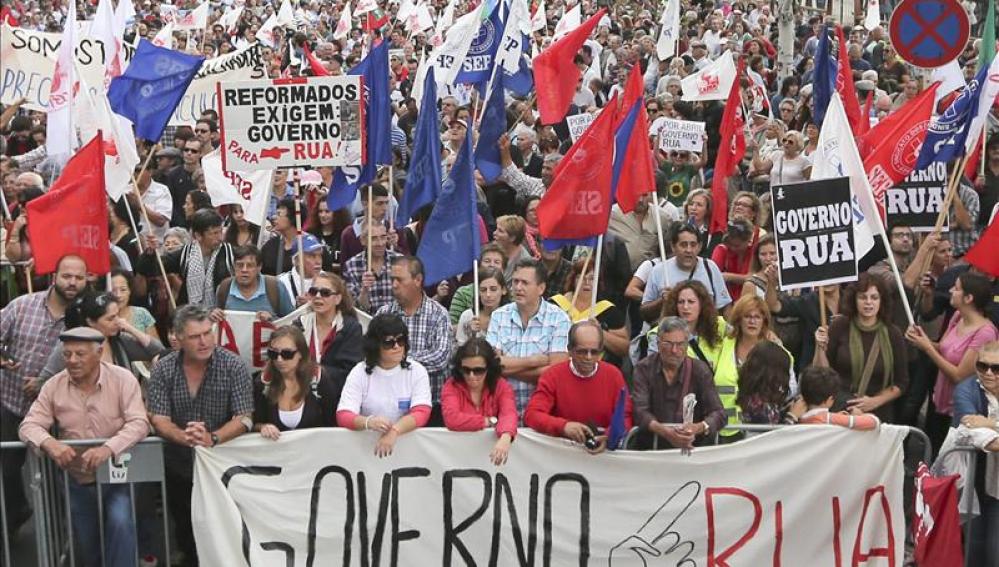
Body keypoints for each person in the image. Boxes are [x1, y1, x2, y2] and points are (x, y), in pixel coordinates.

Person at [18, 327, 150, 567]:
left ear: (99, 353)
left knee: (120, 523)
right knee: (87, 542)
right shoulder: (53, 386)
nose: (72, 361)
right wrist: (49, 443)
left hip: (118, 474)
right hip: (76, 478)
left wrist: (108, 448)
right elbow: (29, 425)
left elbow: (139, 423)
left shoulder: (122, 379)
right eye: (67, 355)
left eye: (80, 354)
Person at [147, 305, 254, 566]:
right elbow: (158, 418)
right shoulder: (164, 369)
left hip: (223, 468)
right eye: (195, 336)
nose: (204, 341)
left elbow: (245, 417)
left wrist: (212, 438)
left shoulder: (233, 365)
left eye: (208, 333)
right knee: (186, 532)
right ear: (178, 337)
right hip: (179, 465)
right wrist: (183, 436)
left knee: (224, 530)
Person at [1, 254, 87, 535]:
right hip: (11, 404)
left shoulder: (84, 318)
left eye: (79, 277)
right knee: (7, 472)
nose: (72, 282)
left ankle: (63, 541)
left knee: (57, 483)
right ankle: (14, 518)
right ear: (54, 276)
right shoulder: (22, 306)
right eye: (67, 276)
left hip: (57, 415)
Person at [906, 272, 999, 450]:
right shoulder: (957, 317)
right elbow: (943, 348)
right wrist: (921, 339)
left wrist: (926, 347)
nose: (950, 290)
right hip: (939, 400)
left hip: (960, 409)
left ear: (968, 298)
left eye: (956, 288)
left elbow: (959, 375)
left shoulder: (985, 332)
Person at [524, 321, 632, 453]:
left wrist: (608, 438)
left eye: (594, 352)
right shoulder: (552, 376)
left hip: (603, 454)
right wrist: (564, 426)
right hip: (561, 453)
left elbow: (625, 416)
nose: (588, 357)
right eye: (582, 352)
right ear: (570, 350)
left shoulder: (614, 375)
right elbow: (532, 415)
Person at [814, 274, 909, 423]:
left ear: (882, 301)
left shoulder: (893, 333)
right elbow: (823, 373)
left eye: (874, 297)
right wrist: (819, 347)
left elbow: (901, 382)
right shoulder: (840, 326)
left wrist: (875, 401)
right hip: (842, 409)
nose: (868, 302)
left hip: (878, 414)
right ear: (854, 299)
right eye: (863, 297)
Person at [336, 313, 432, 457]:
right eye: (389, 343)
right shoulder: (359, 372)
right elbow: (343, 415)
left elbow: (422, 411)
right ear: (375, 346)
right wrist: (368, 422)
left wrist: (394, 431)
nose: (397, 347)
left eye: (401, 340)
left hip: (408, 450)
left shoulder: (417, 371)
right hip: (366, 450)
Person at [486, 258, 571, 415]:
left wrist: (507, 368)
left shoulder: (559, 319)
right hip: (503, 409)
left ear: (541, 288)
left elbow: (555, 373)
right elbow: (491, 365)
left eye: (525, 283)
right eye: (515, 281)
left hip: (543, 410)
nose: (518, 287)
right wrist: (532, 361)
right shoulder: (498, 316)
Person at [631, 316, 727, 450]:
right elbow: (639, 412)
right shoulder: (644, 369)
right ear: (658, 344)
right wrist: (666, 432)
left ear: (687, 345)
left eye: (680, 344)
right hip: (651, 451)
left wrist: (697, 428)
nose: (674, 350)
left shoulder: (700, 370)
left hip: (692, 451)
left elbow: (719, 413)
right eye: (668, 344)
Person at [376, 256, 453, 409]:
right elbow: (372, 352)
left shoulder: (439, 314)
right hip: (389, 404)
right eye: (392, 279)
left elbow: (440, 358)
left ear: (418, 280)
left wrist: (398, 359)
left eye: (399, 280)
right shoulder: (383, 314)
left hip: (432, 403)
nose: (394, 285)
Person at [39, 291, 166, 381]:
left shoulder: (120, 341)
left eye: (117, 315)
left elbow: (157, 349)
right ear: (91, 322)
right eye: (110, 319)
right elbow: (45, 380)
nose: (117, 321)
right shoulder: (70, 345)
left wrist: (130, 328)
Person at [952, 342, 999, 566]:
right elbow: (986, 440)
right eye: (982, 366)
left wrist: (992, 422)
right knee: (979, 551)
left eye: (996, 368)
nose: (988, 372)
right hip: (977, 485)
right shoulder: (966, 390)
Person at [441, 338, 517, 465]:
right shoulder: (451, 386)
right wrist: (488, 421)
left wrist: (506, 436)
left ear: (489, 368)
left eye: (478, 370)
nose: (471, 375)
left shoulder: (502, 386)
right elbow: (452, 419)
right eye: (466, 370)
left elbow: (508, 413)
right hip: (456, 458)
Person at [138, 209, 235, 308]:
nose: (220, 238)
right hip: (190, 312)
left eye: (220, 232)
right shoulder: (185, 254)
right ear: (198, 235)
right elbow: (152, 269)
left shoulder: (229, 253)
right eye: (214, 233)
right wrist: (150, 253)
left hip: (221, 311)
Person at [254, 327, 337, 438]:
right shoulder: (263, 382)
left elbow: (333, 424)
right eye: (273, 353)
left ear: (301, 354)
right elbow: (254, 422)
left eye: (287, 354)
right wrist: (263, 427)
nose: (279, 359)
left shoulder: (319, 380)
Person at [641, 224, 732, 323]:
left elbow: (725, 307)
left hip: (705, 334)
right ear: (673, 246)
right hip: (671, 335)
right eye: (683, 245)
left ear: (700, 246)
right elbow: (645, 313)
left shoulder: (710, 268)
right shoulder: (659, 271)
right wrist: (662, 301)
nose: (688, 250)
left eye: (693, 245)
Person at [550, 259, 629, 365]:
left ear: (598, 282)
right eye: (581, 277)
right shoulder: (554, 305)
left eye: (592, 278)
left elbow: (624, 348)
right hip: (559, 365)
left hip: (596, 368)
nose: (586, 283)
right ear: (573, 280)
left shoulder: (608, 310)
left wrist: (600, 332)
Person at [304, 271, 364, 395]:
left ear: (337, 299)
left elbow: (350, 371)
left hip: (337, 396)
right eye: (313, 292)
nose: (318, 296)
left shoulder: (351, 328)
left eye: (325, 293)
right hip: (303, 394)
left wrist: (319, 373)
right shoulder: (300, 324)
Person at [213, 245, 294, 319]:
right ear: (234, 266)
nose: (244, 270)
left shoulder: (275, 286)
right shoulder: (224, 288)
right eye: (240, 265)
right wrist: (214, 316)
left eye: (250, 265)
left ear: (259, 267)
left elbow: (292, 321)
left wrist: (272, 320)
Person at [788, 366, 881, 430]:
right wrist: (859, 415)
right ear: (830, 400)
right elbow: (874, 422)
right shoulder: (830, 419)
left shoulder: (796, 418)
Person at [343, 222, 402, 314]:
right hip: (367, 323)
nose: (380, 243)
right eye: (373, 238)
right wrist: (364, 290)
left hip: (396, 322)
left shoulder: (400, 261)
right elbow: (355, 309)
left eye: (383, 237)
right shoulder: (352, 266)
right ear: (363, 241)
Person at [736, 341, 794, 425]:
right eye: (783, 372)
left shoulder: (761, 399)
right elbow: (773, 436)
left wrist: (787, 409)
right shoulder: (756, 404)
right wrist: (792, 416)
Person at [448, 244, 507, 324]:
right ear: (478, 267)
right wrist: (467, 326)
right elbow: (451, 327)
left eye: (497, 262)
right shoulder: (462, 293)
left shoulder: (512, 297)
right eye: (487, 261)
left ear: (503, 269)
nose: (491, 265)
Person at [455, 267, 508, 346]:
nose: (488, 294)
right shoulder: (468, 316)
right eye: (483, 290)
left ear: (503, 290)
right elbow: (459, 351)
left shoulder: (511, 316)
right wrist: (472, 336)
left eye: (493, 289)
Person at [711, 219, 756, 301]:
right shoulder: (722, 249)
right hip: (725, 299)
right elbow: (713, 276)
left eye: (737, 245)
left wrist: (728, 276)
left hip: (748, 298)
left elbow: (752, 278)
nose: (732, 248)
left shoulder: (754, 251)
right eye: (730, 244)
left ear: (748, 241)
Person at [108, 268, 158, 340]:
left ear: (130, 291)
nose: (118, 295)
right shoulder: (103, 318)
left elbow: (156, 348)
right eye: (113, 290)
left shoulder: (142, 313)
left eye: (123, 290)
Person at [277, 233, 326, 304]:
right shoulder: (282, 283)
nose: (318, 261)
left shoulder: (330, 282)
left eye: (320, 255)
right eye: (312, 256)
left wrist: (311, 305)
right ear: (297, 260)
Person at [494, 215, 532, 282]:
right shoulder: (491, 249)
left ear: (512, 238)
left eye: (500, 231)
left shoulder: (525, 261)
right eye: (496, 229)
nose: (494, 233)